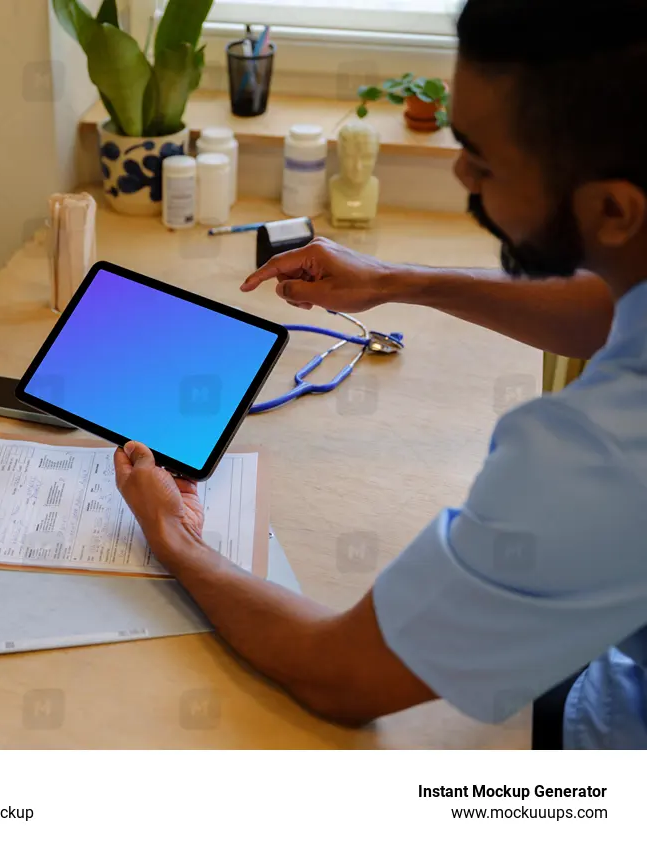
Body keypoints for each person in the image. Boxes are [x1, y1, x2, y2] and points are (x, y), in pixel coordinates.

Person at [114, 0, 647, 749]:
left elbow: (341, 675)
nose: (460, 171)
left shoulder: (603, 453)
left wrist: (173, 538)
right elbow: (607, 307)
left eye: (483, 161)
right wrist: (399, 280)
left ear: (616, 212)